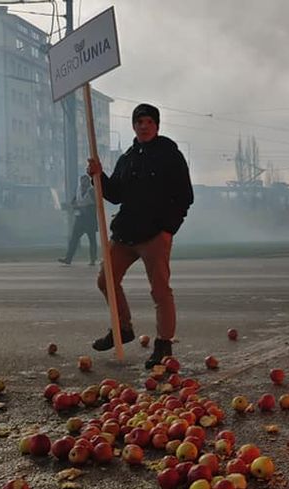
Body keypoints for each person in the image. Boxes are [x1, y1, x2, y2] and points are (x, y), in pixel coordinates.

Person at [86, 103, 193, 369]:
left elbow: (185, 196)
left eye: (148, 122)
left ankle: (163, 343)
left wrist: (168, 228)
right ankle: (122, 328)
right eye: (139, 122)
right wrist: (98, 177)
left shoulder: (170, 155)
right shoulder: (128, 157)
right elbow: (115, 194)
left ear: (156, 125)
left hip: (155, 234)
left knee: (160, 290)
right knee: (106, 280)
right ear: (133, 126)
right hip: (125, 233)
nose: (143, 126)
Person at [58, 174, 97, 266]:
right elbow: (74, 201)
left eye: (85, 181)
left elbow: (96, 204)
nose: (83, 183)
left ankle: (93, 259)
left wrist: (86, 208)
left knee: (92, 240)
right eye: (82, 181)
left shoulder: (92, 191)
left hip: (90, 219)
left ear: (88, 182)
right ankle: (68, 258)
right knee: (74, 239)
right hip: (80, 219)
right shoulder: (78, 190)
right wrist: (71, 206)